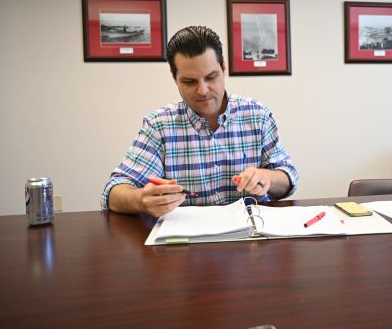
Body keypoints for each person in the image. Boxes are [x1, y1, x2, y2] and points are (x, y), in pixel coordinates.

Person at [101, 26, 298, 217]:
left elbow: (288, 177)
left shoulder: (257, 115)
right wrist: (140, 200)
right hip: (185, 237)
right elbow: (113, 192)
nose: (203, 90)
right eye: (189, 81)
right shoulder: (159, 126)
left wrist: (267, 178)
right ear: (174, 78)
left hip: (252, 233)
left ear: (223, 69)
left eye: (211, 77)